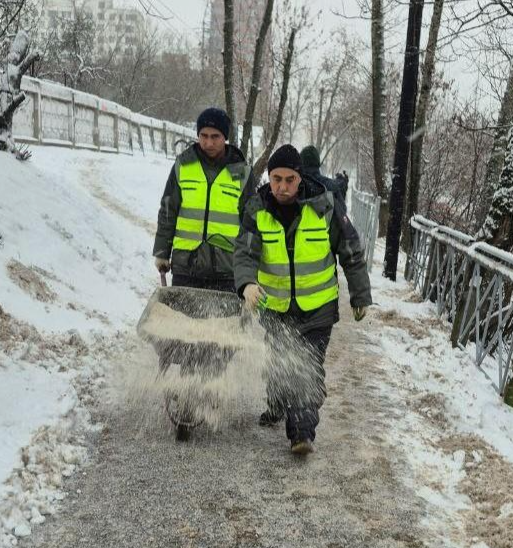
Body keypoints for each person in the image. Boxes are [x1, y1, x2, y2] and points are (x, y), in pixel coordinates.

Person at [234, 144, 372, 456]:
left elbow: (350, 249)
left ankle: (301, 432)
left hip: (318, 309)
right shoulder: (257, 210)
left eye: (290, 179)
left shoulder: (324, 205)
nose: (282, 187)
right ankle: (277, 403)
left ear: (300, 178)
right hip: (276, 309)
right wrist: (247, 284)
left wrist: (360, 294)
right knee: (280, 363)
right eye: (276, 179)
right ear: (269, 178)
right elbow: (244, 253)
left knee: (307, 367)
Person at [152, 107, 255, 292]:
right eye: (203, 136)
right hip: (186, 266)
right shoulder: (183, 166)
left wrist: (248, 267)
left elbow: (250, 223)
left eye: (215, 136)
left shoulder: (241, 172)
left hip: (227, 270)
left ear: (225, 137)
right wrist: (161, 251)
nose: (208, 142)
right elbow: (168, 210)